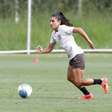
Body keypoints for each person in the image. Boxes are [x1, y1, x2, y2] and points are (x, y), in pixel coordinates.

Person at [36, 11, 109, 100]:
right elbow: (49, 49)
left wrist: (89, 42)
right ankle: (87, 95)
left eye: (53, 21)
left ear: (59, 22)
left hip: (77, 55)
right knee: (70, 78)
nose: (50, 23)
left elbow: (79, 29)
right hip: (72, 57)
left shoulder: (63, 28)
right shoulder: (53, 34)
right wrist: (41, 51)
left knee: (80, 81)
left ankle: (101, 81)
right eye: (50, 21)